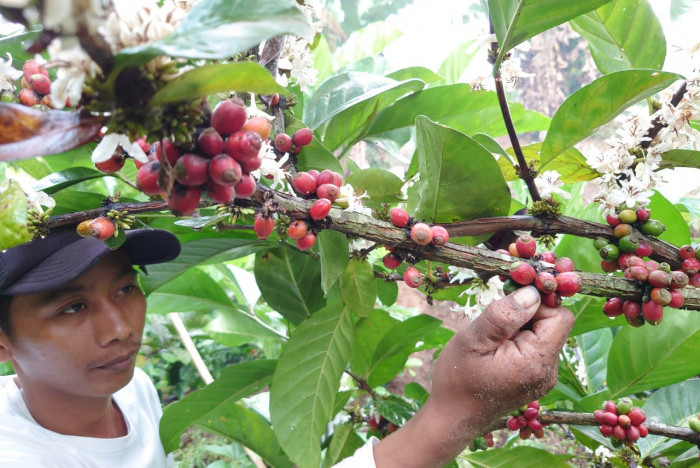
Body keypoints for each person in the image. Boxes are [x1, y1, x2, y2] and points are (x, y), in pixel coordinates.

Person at [0, 228, 574, 467]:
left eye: (126, 287)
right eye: (71, 307)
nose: (118, 327)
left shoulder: (131, 389)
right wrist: (454, 414)